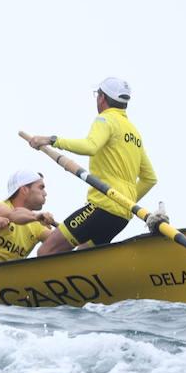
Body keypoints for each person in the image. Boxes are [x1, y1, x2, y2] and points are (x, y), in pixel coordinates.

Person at [28, 77, 157, 255]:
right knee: (82, 256)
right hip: (122, 215)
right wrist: (126, 201)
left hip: (102, 206)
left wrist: (51, 140)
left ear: (102, 98)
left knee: (46, 251)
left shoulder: (105, 120)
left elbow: (90, 146)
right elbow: (150, 178)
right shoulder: (134, 133)